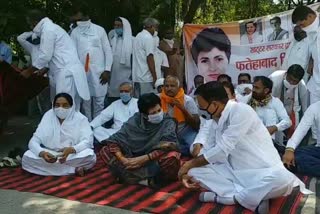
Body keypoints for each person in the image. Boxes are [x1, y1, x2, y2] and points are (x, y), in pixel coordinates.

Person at [178, 81, 310, 213]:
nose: (199, 110)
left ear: (214, 104)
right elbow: (209, 151)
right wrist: (190, 166)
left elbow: (221, 150)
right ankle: (256, 196)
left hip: (261, 171)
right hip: (234, 171)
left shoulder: (241, 111)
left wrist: (190, 163)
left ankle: (230, 198)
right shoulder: (214, 119)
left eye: (201, 106)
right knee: (194, 172)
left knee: (283, 180)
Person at [99, 93, 181, 186]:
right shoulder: (135, 121)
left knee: (172, 157)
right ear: (144, 115)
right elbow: (115, 140)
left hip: (152, 160)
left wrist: (143, 159)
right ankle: (144, 181)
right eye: (153, 113)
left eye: (159, 110)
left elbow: (170, 145)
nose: (158, 114)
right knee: (105, 151)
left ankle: (129, 178)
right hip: (131, 160)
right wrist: (123, 160)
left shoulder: (168, 121)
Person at [21, 9, 90, 110]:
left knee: (65, 106)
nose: (29, 26)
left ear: (34, 21)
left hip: (67, 73)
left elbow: (45, 55)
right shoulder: (51, 28)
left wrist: (29, 71)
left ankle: (67, 126)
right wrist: (45, 69)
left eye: (29, 23)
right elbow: (56, 54)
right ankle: (66, 125)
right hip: (67, 72)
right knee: (70, 107)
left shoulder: (48, 30)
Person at [22, 93, 96, 176]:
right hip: (49, 154)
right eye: (57, 105)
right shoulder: (48, 116)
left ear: (72, 106)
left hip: (71, 155)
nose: (60, 108)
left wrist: (72, 149)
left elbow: (88, 141)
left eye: (65, 105)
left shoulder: (80, 119)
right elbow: (33, 141)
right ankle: (73, 170)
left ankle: (50, 169)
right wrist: (42, 153)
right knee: (27, 157)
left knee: (90, 155)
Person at [70, 5, 113, 121]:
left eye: (78, 13)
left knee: (99, 101)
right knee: (86, 102)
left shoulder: (99, 30)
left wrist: (107, 70)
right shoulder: (75, 32)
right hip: (82, 72)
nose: (76, 16)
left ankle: (97, 128)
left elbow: (107, 51)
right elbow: (72, 53)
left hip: (100, 71)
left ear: (85, 14)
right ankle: (88, 128)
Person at [292, 6, 320, 139]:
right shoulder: (310, 32)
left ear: (310, 16)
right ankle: (317, 143)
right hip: (316, 82)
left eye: (302, 24)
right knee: (315, 118)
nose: (301, 28)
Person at [160, 75, 200, 156]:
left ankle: (176, 149)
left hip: (185, 130)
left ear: (179, 87)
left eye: (172, 86)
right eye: (166, 86)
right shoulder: (158, 99)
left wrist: (182, 109)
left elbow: (196, 124)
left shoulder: (188, 100)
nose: (169, 88)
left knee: (192, 148)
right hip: (165, 132)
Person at [249, 76, 291, 148]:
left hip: (271, 142)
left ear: (266, 90)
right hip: (251, 141)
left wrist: (274, 128)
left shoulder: (275, 102)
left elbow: (287, 121)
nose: (253, 90)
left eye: (257, 88)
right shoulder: (248, 100)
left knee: (270, 112)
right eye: (253, 87)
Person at [269, 64, 308, 137]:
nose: (291, 82)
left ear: (299, 81)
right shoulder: (274, 78)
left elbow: (304, 108)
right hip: (272, 107)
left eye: (295, 81)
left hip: (289, 109)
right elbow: (267, 99)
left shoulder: (302, 86)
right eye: (289, 79)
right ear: (286, 73)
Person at [283, 101, 320, 177]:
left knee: (297, 161)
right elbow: (301, 130)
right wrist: (289, 149)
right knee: (296, 154)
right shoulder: (315, 107)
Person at [108, 17, 134, 105]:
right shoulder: (112, 40)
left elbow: (134, 59)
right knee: (114, 98)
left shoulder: (132, 40)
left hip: (127, 74)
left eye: (119, 25)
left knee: (126, 96)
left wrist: (133, 74)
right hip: (114, 75)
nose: (117, 28)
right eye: (115, 25)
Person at [132, 18, 159, 97]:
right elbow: (150, 58)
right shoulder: (148, 38)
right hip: (146, 77)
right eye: (156, 27)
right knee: (147, 103)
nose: (156, 30)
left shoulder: (138, 36)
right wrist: (154, 77)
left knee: (138, 103)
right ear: (151, 26)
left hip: (137, 76)